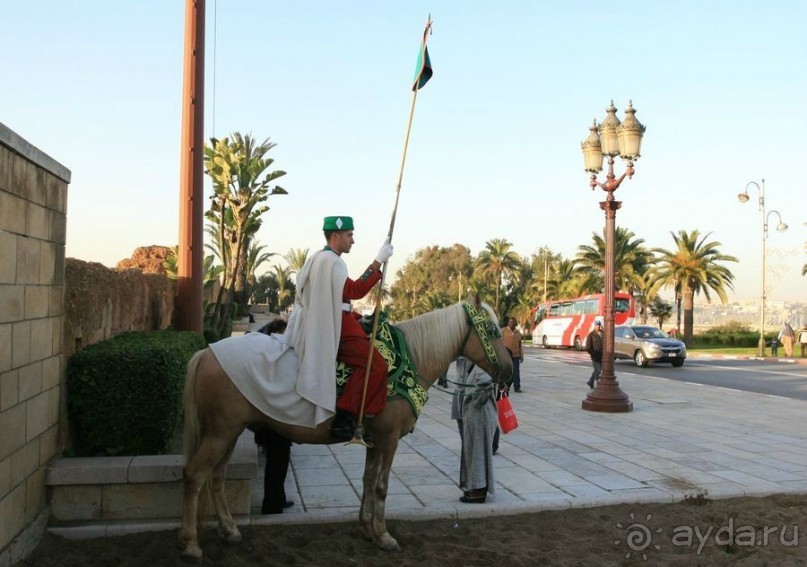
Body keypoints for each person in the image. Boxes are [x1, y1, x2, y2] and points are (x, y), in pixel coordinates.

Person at [283, 215, 393, 440]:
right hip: (337, 329)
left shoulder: (319, 258)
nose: (353, 240)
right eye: (349, 235)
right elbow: (354, 291)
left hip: (340, 321)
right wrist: (377, 262)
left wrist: (355, 316)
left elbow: (336, 300)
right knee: (376, 365)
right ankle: (347, 418)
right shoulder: (332, 261)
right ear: (335, 236)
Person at [252, 319, 295, 514]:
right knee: (276, 463)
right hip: (272, 421)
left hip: (276, 420)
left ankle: (279, 498)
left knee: (280, 462)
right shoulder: (271, 354)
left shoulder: (271, 352)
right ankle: (272, 505)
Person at [450, 358, 497, 504]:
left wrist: (472, 399)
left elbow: (484, 386)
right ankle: (475, 486)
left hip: (480, 415)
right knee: (472, 451)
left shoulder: (483, 363)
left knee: (478, 453)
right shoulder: (470, 362)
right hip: (472, 414)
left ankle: (479, 490)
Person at [502, 317, 524, 393]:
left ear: (515, 323)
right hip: (506, 355)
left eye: (513, 322)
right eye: (510, 322)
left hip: (515, 355)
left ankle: (517, 387)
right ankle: (505, 386)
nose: (512, 323)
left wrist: (521, 355)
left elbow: (520, 345)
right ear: (508, 323)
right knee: (506, 372)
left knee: (516, 372)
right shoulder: (503, 331)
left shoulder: (518, 333)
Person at [585, 320, 604, 389]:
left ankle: (590, 382)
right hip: (595, 356)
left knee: (598, 369)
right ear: (594, 325)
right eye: (597, 325)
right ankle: (598, 385)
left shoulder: (603, 333)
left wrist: (604, 329)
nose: (598, 326)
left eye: (599, 325)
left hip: (602, 356)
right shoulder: (591, 335)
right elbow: (588, 347)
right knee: (598, 370)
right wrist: (593, 354)